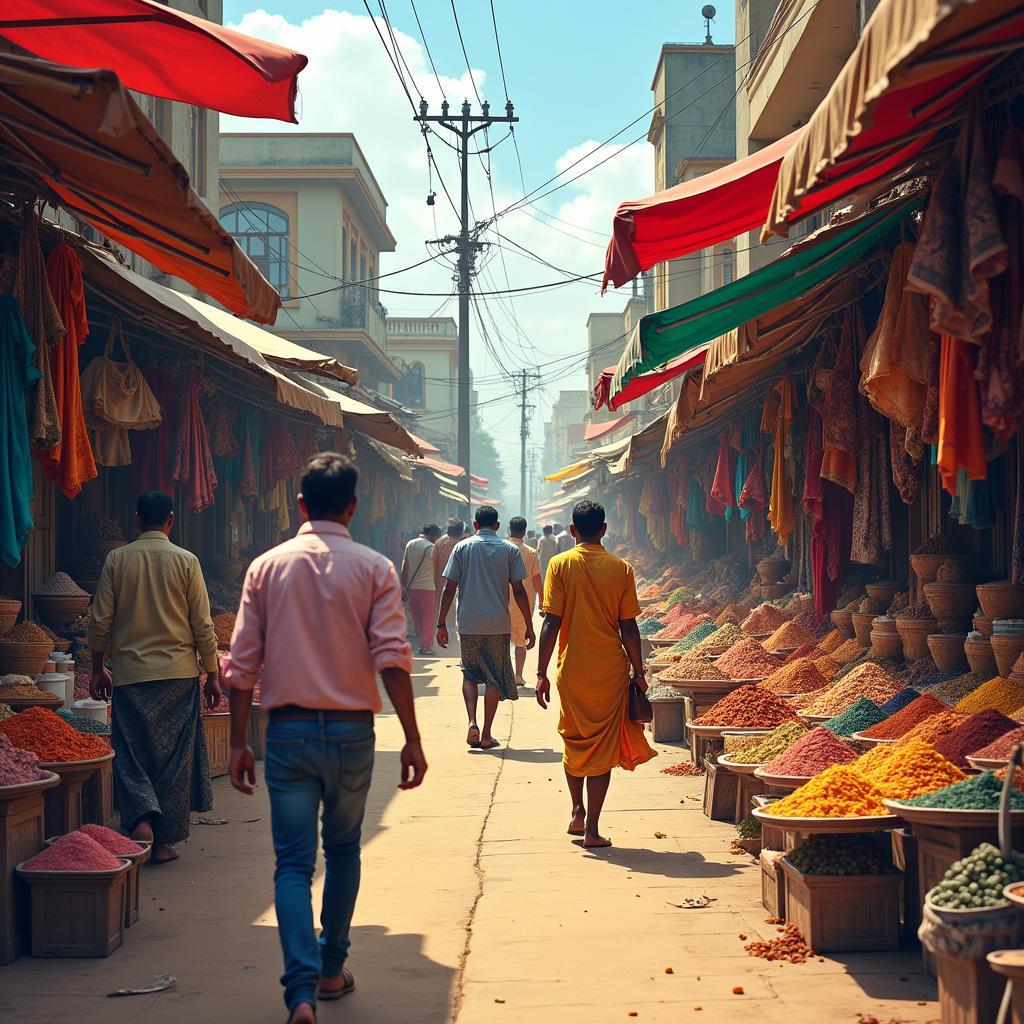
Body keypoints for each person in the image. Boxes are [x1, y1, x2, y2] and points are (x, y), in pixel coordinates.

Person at [225, 452, 426, 1024]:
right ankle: (333, 967)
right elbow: (392, 658)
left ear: (300, 505)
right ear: (355, 507)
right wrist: (412, 737)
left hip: (285, 733)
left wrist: (239, 741)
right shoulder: (374, 568)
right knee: (342, 851)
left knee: (292, 865)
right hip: (351, 734)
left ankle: (301, 992)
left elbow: (242, 666)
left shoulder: (266, 567)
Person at [87, 491, 219, 865]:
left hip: (130, 676)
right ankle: (161, 843)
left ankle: (141, 818)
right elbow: (202, 625)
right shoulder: (187, 561)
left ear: (137, 521)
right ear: (171, 521)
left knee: (131, 752)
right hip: (178, 676)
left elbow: (100, 622)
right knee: (174, 761)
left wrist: (98, 667)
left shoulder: (117, 559)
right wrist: (212, 674)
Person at [535, 499, 655, 849]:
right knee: (601, 748)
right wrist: (639, 670)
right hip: (609, 672)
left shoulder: (559, 565)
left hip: (571, 670)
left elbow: (551, 622)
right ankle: (593, 829)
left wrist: (540, 672)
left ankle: (576, 811)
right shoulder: (621, 569)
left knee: (574, 739)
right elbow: (628, 626)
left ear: (573, 531)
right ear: (604, 530)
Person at [436, 505, 535, 750]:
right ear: (498, 526)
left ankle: (472, 723)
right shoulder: (510, 550)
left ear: (475, 525)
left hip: (469, 623)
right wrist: (529, 625)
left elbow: (449, 588)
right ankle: (487, 734)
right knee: (494, 678)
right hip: (497, 624)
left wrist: (440, 623)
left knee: (469, 673)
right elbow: (519, 591)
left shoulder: (462, 547)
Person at [506, 516, 543, 688]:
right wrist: (542, 600)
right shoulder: (531, 552)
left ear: (508, 530)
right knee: (521, 641)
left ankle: (503, 674)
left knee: (503, 640)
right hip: (524, 602)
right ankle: (518, 676)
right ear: (525, 532)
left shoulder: (501, 549)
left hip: (502, 601)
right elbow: (537, 580)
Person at [401, 524, 441, 655]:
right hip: (428, 589)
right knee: (429, 619)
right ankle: (425, 647)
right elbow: (438, 571)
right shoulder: (432, 548)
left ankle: (420, 643)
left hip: (412, 589)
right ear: (433, 535)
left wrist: (403, 587)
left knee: (417, 618)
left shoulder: (410, 544)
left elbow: (404, 567)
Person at [432, 519, 463, 628]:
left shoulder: (438, 543)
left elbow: (434, 565)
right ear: (461, 532)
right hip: (459, 589)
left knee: (443, 616)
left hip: (440, 587)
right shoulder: (462, 545)